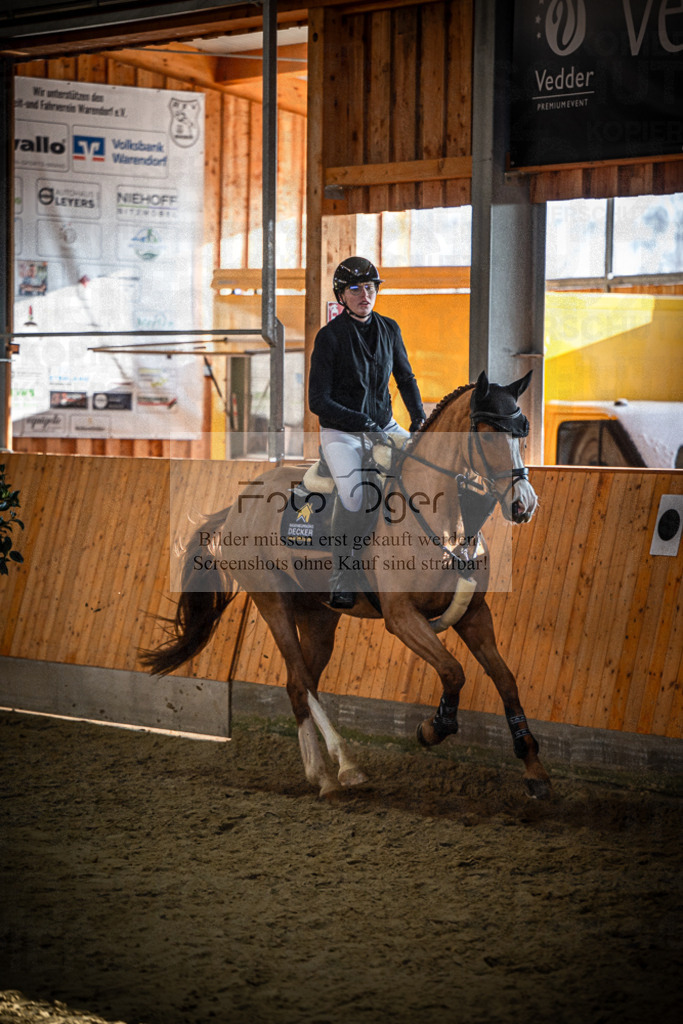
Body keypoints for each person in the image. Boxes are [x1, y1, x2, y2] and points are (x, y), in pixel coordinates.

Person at [308, 256, 426, 608]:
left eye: (371, 287)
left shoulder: (390, 328)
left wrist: (419, 419)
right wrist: (361, 424)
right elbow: (318, 400)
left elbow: (405, 378)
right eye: (356, 289)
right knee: (357, 495)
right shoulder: (329, 338)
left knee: (427, 467)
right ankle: (342, 571)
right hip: (342, 432)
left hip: (384, 425)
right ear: (341, 296)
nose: (365, 294)